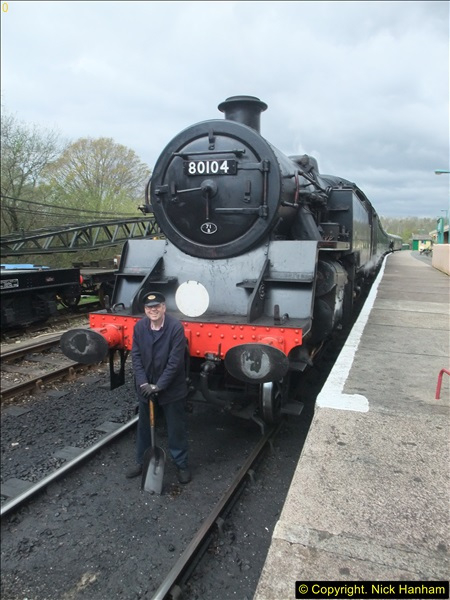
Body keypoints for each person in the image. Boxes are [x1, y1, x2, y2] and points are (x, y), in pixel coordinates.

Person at [126, 291, 191, 484]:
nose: (153, 310)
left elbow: (175, 362)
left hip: (171, 388)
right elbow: (136, 357)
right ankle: (141, 461)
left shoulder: (175, 327)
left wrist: (160, 385)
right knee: (144, 426)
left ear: (163, 307)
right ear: (145, 310)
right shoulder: (140, 327)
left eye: (156, 307)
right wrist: (144, 383)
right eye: (149, 308)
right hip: (146, 387)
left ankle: (181, 464)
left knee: (176, 428)